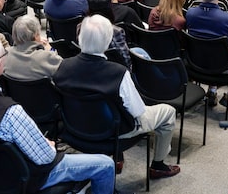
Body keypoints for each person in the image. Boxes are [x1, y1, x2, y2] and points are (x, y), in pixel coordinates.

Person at [0, 30, 130, 194]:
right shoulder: (10, 113)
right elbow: (46, 158)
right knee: (105, 164)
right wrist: (47, 144)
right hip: (24, 180)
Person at [53, 15, 180, 179]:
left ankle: (117, 157)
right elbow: (137, 111)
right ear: (107, 42)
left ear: (79, 37)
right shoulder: (118, 73)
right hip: (115, 130)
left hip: (77, 126)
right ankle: (158, 166)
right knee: (168, 111)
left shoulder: (62, 66)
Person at [4, 15, 63, 80]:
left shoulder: (5, 55)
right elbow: (63, 71)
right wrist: (50, 50)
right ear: (36, 35)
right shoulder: (47, 57)